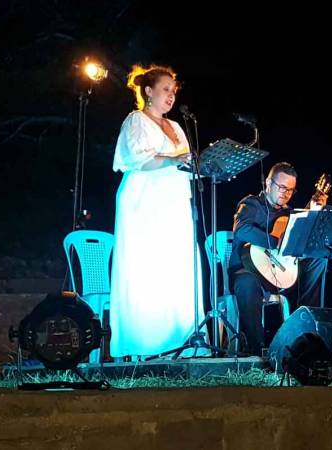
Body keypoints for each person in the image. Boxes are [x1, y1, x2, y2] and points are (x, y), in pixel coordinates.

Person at [109, 64, 204, 359]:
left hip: (174, 205)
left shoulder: (176, 126)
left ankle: (181, 343)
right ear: (148, 91)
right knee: (147, 269)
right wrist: (175, 160)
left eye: (173, 91)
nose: (171, 96)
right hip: (144, 205)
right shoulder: (136, 120)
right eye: (166, 89)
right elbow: (141, 159)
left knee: (176, 268)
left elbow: (186, 163)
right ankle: (146, 345)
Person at [228, 162, 327, 356]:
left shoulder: (289, 213)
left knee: (319, 259)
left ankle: (307, 329)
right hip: (248, 270)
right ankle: (255, 352)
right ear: (268, 183)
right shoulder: (251, 204)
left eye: (290, 190)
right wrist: (275, 242)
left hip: (280, 272)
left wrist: (314, 213)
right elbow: (242, 229)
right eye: (282, 187)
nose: (286, 193)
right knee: (247, 284)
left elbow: (300, 241)